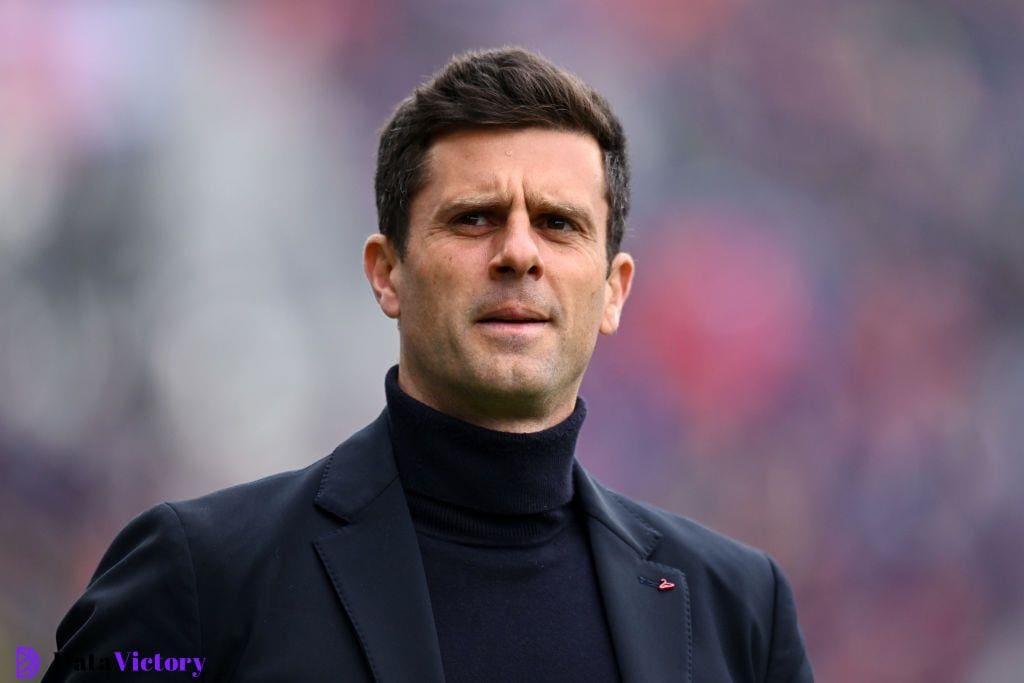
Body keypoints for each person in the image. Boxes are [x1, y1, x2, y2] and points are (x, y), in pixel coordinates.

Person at [45, 47, 813, 682]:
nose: (518, 252)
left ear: (613, 291)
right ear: (388, 273)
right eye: (474, 218)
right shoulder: (205, 578)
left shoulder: (737, 608)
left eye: (558, 223)